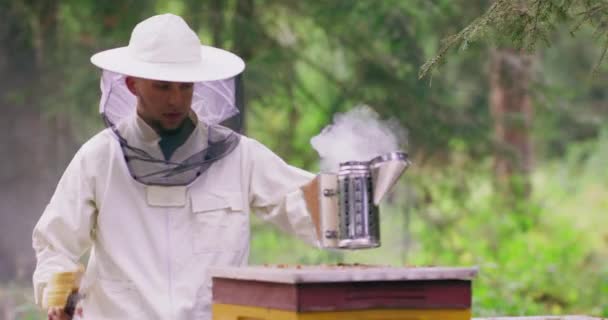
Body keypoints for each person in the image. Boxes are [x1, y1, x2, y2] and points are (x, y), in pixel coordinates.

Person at [32, 13, 320, 320]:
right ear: (132, 85)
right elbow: (55, 244)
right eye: (163, 87)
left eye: (185, 87)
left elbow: (312, 207)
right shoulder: (99, 158)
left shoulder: (240, 156)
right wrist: (58, 297)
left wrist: (366, 185)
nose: (176, 100)